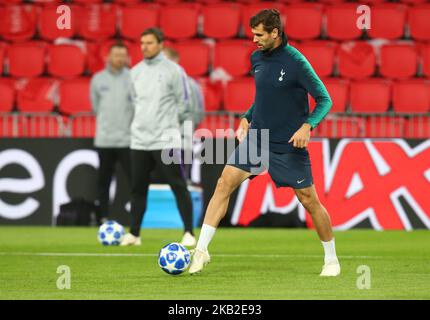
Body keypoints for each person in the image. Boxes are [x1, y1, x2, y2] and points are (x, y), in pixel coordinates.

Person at [189, 9, 341, 277]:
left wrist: (308, 125)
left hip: (288, 143)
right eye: (253, 35)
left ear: (275, 33)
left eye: (259, 35)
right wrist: (246, 118)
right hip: (258, 138)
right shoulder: (256, 58)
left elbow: (325, 99)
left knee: (309, 200)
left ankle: (331, 260)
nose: (254, 40)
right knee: (224, 183)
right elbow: (264, 95)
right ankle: (201, 251)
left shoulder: (296, 62)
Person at [120, 28, 196, 247]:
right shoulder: (135, 72)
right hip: (139, 140)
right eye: (142, 43)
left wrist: (169, 125)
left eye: (150, 42)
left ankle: (189, 232)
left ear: (161, 44)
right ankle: (134, 234)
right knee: (137, 188)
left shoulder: (174, 71)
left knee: (178, 185)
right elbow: (134, 102)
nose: (144, 46)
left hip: (166, 139)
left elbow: (185, 103)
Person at [90, 42, 133, 223]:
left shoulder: (133, 78)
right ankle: (103, 217)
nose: (120, 59)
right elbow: (95, 107)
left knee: (135, 181)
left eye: (123, 55)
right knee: (104, 182)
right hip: (105, 140)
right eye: (116, 55)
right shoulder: (98, 79)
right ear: (108, 56)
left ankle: (137, 217)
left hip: (127, 140)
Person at [163, 46, 205, 181]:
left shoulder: (190, 85)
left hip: (181, 141)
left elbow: (198, 112)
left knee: (181, 182)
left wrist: (186, 128)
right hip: (159, 141)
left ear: (175, 60)